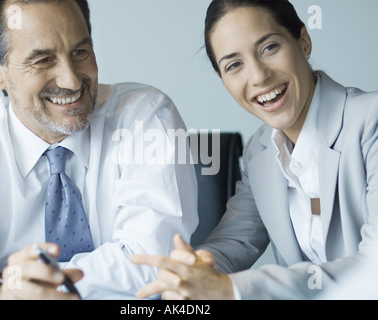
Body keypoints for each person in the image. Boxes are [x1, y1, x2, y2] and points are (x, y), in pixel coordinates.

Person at [131, 0, 378, 300]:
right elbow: (233, 242)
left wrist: (231, 289)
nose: (259, 76)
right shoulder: (260, 151)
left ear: (304, 42)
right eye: (234, 65)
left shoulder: (371, 121)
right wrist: (193, 272)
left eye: (269, 48)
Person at [0, 0, 198, 300]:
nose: (71, 80)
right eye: (43, 60)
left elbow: (150, 260)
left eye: (80, 52)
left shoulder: (144, 115)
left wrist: (14, 285)